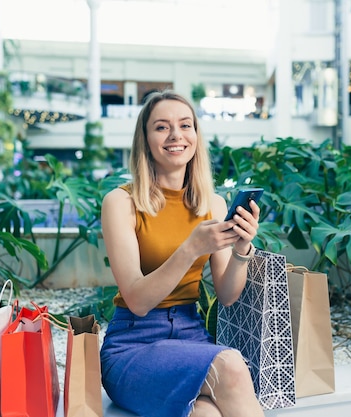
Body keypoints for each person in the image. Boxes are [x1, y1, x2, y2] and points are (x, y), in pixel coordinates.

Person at [100, 90, 265, 417]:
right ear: (145, 139)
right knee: (230, 364)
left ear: (195, 136)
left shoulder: (212, 204)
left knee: (206, 414)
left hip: (191, 339)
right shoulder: (121, 203)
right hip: (134, 345)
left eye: (185, 125)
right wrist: (191, 248)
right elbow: (138, 300)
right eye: (162, 127)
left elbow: (227, 295)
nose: (176, 135)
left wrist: (242, 248)